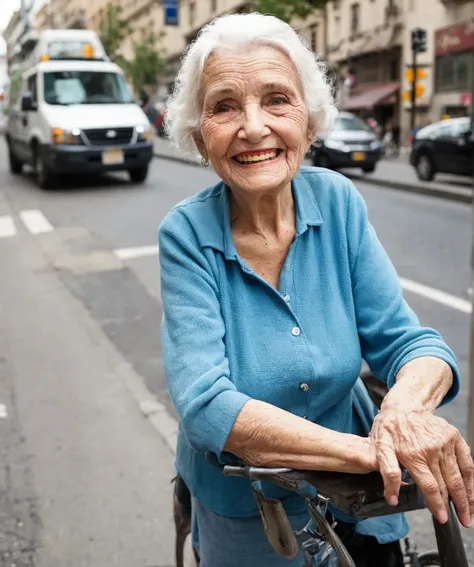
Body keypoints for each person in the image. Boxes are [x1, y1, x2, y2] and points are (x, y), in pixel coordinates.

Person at [159, 13, 474, 567]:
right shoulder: (185, 235)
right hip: (249, 511)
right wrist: (373, 454)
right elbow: (207, 406)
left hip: (363, 506)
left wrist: (402, 411)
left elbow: (413, 346)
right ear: (199, 136)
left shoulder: (339, 202)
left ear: (308, 122)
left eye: (277, 99)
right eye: (225, 106)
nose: (253, 127)